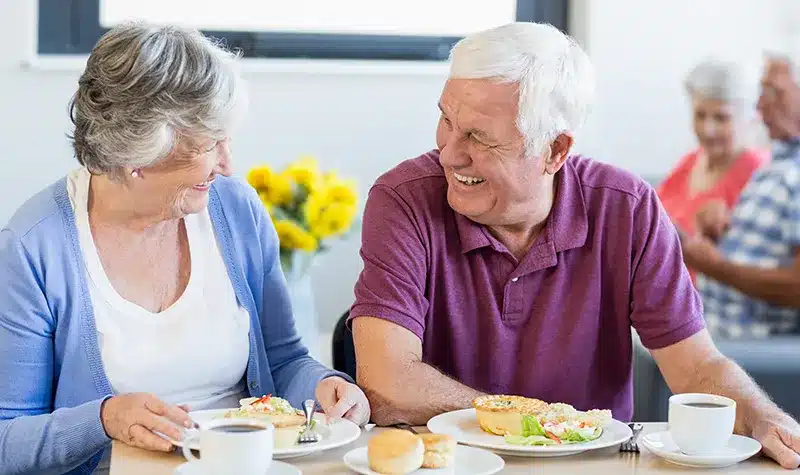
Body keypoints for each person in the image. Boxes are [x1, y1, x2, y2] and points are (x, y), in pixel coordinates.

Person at [348, 22, 800, 469]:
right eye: (446, 119)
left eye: (480, 137)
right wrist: (533, 420)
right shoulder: (403, 199)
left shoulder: (628, 207)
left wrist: (764, 418)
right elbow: (387, 382)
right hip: (450, 464)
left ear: (554, 151)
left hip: (591, 465)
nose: (449, 153)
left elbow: (696, 365)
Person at [0, 23, 369, 475]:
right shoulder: (34, 247)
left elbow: (285, 359)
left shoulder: (236, 209)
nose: (228, 164)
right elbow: (7, 438)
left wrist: (327, 384)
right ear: (137, 155)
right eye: (209, 144)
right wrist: (103, 420)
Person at [682, 52, 800, 338]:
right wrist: (713, 233)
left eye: (773, 93)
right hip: (711, 333)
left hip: (748, 355)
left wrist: (714, 266)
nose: (759, 106)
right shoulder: (777, 166)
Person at [657, 59, 768, 279]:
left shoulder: (758, 172)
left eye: (721, 118)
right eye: (700, 115)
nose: (707, 129)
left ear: (751, 117)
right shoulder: (690, 161)